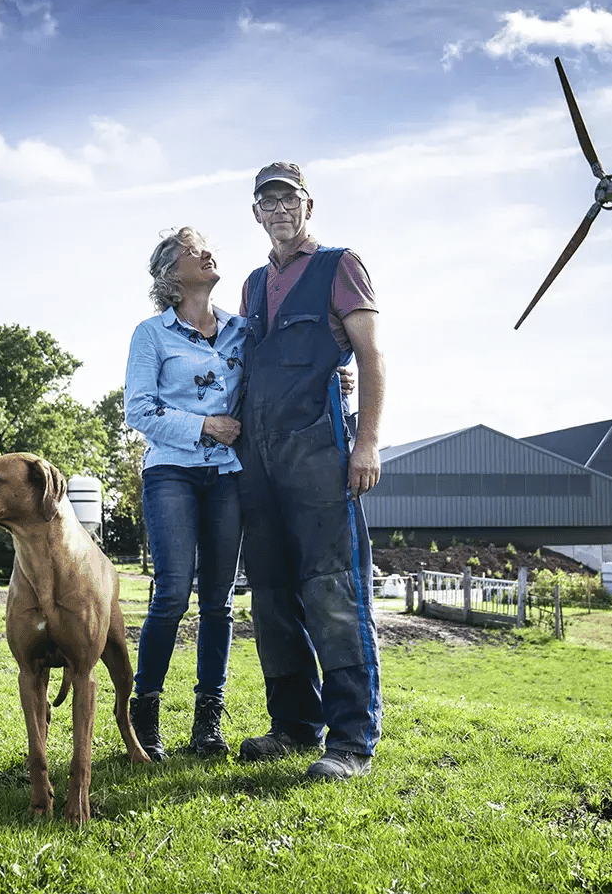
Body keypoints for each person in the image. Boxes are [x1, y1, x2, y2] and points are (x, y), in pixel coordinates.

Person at [235, 161, 386, 782]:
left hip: (321, 453)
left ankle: (351, 741)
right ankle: (295, 725)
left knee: (333, 589)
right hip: (259, 461)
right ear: (255, 213)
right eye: (267, 201)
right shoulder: (249, 283)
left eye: (289, 200)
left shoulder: (340, 265)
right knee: (271, 595)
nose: (279, 210)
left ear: (308, 205)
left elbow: (372, 357)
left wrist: (368, 442)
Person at [122, 227, 245, 761]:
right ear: (172, 277)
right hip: (172, 471)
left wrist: (337, 376)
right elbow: (139, 412)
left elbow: (282, 372)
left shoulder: (244, 331)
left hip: (228, 477)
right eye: (193, 250)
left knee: (218, 601)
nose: (206, 252)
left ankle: (206, 727)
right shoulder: (151, 335)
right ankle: (143, 719)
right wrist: (205, 426)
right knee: (172, 593)